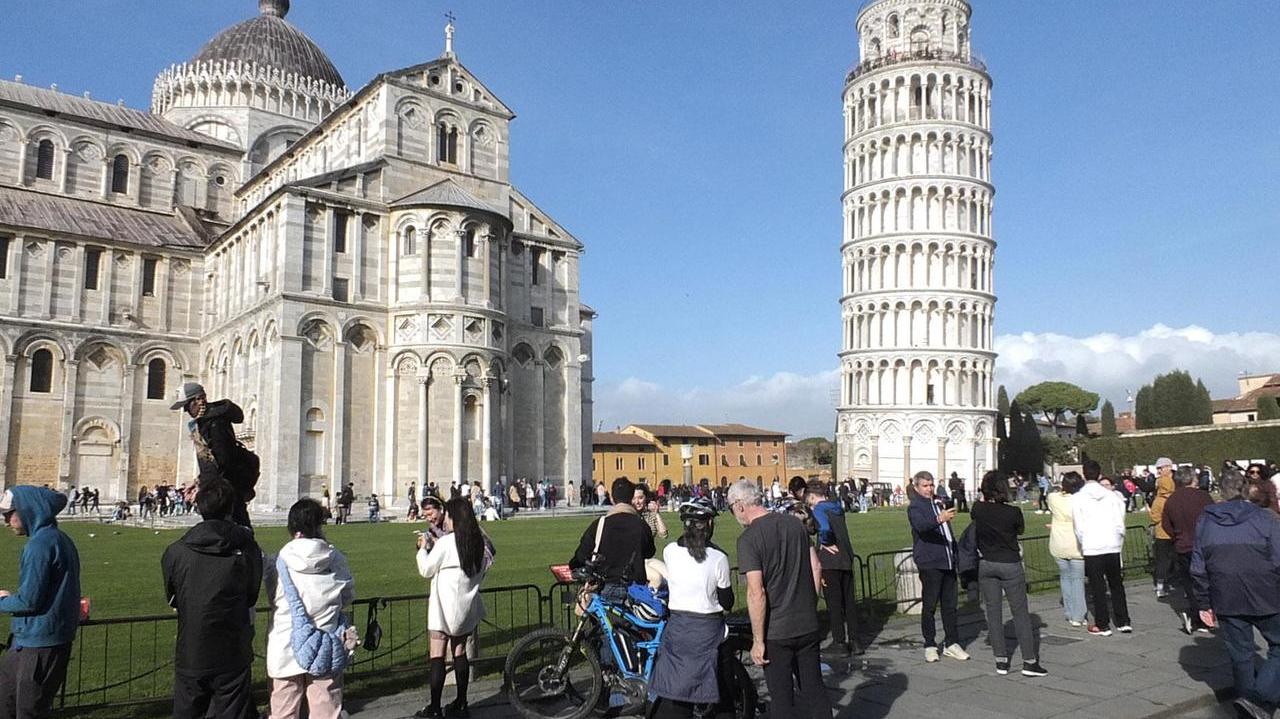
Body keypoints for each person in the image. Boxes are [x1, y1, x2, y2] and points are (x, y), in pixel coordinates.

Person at [161, 478, 263, 719]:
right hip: (233, 647)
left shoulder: (176, 551)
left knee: (188, 711)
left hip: (192, 647)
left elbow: (173, 597)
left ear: (198, 506)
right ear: (231, 508)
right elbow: (251, 595)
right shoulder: (247, 547)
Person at [729, 479, 831, 719]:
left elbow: (757, 592)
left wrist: (757, 641)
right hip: (806, 622)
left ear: (740, 505)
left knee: (782, 698)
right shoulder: (794, 524)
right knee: (814, 689)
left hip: (776, 631)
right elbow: (816, 567)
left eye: (732, 508)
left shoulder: (748, 539)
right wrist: (810, 603)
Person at [1191, 467, 1280, 719]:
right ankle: (1258, 700)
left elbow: (1198, 567)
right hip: (1265, 593)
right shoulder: (1264, 519)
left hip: (1226, 595)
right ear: (1245, 489)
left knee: (1241, 656)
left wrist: (1203, 601)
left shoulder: (1206, 522)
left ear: (1221, 491)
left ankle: (1249, 707)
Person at [265, 499, 356, 719]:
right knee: (326, 712)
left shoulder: (278, 560)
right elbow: (347, 596)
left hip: (286, 643)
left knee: (283, 713)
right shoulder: (335, 558)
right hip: (326, 643)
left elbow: (272, 597)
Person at [647, 497, 734, 718]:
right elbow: (727, 602)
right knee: (723, 686)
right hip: (707, 628)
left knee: (676, 689)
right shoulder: (719, 558)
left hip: (679, 627)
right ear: (709, 524)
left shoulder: (670, 551)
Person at [0, 487, 81, 719]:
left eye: (9, 514)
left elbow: (29, 601)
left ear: (27, 510)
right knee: (7, 702)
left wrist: (3, 601)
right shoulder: (60, 539)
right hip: (32, 639)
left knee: (28, 710)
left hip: (39, 643)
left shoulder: (39, 546)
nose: (6, 521)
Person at [414, 499, 491, 718]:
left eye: (448, 515)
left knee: (437, 655)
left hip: (443, 606)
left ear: (454, 517)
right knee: (460, 653)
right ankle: (461, 702)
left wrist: (423, 549)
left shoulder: (447, 542)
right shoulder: (477, 543)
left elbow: (426, 569)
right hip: (465, 605)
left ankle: (435, 707)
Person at [971, 472, 1046, 677]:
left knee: (993, 612)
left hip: (987, 562)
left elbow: (978, 516)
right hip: (1009, 562)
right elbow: (1019, 530)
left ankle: (1001, 660)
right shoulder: (1012, 512)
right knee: (1020, 612)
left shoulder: (978, 509)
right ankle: (1029, 661)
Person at [170, 382, 257, 527]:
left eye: (187, 406)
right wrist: (198, 482)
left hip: (225, 493)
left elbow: (223, 461)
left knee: (231, 530)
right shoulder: (204, 422)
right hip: (220, 490)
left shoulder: (216, 423)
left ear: (199, 399)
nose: (186, 411)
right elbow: (212, 462)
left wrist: (203, 488)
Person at [907, 471, 969, 662]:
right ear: (917, 487)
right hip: (930, 562)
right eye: (925, 486)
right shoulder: (915, 506)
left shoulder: (938, 502)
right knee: (930, 605)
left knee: (950, 606)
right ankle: (930, 644)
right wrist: (939, 519)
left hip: (947, 560)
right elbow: (921, 526)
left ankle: (952, 642)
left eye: (931, 485)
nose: (929, 489)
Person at [569, 478, 656, 601]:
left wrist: (574, 565)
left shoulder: (600, 524)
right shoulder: (641, 525)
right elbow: (650, 552)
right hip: (635, 589)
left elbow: (581, 555)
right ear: (631, 499)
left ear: (612, 499)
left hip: (605, 586)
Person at [803, 480, 861, 657]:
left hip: (830, 562)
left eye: (809, 501)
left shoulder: (819, 509)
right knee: (849, 603)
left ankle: (839, 642)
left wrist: (825, 542)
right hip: (846, 557)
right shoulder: (836, 507)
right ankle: (855, 641)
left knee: (834, 604)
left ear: (812, 497)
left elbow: (825, 528)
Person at [1073, 460, 1131, 636]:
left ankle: (1102, 623)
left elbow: (1078, 526)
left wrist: (1084, 542)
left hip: (1092, 546)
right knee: (1116, 584)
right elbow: (1120, 518)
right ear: (1099, 475)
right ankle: (1123, 621)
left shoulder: (1078, 498)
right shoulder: (1111, 496)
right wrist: (1118, 537)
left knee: (1097, 587)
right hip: (1111, 544)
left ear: (1084, 475)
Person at [1160, 465, 1215, 635]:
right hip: (1204, 544)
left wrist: (1177, 536)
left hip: (1183, 545)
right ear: (1192, 479)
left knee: (1190, 583)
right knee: (1207, 580)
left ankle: (1197, 615)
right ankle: (1207, 613)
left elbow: (1166, 525)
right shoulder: (1203, 496)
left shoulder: (1171, 500)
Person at [1047, 472, 1087, 627]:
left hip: (1059, 542)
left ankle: (1070, 613)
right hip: (1076, 544)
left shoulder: (1053, 498)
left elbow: (1053, 494)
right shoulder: (1080, 500)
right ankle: (1078, 615)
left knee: (1065, 579)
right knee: (1077, 580)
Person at [1148, 457, 1177, 599]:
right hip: (1174, 532)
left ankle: (1160, 586)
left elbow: (1154, 518)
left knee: (1162, 561)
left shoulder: (1158, 501)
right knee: (1176, 559)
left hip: (1161, 533)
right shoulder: (1175, 499)